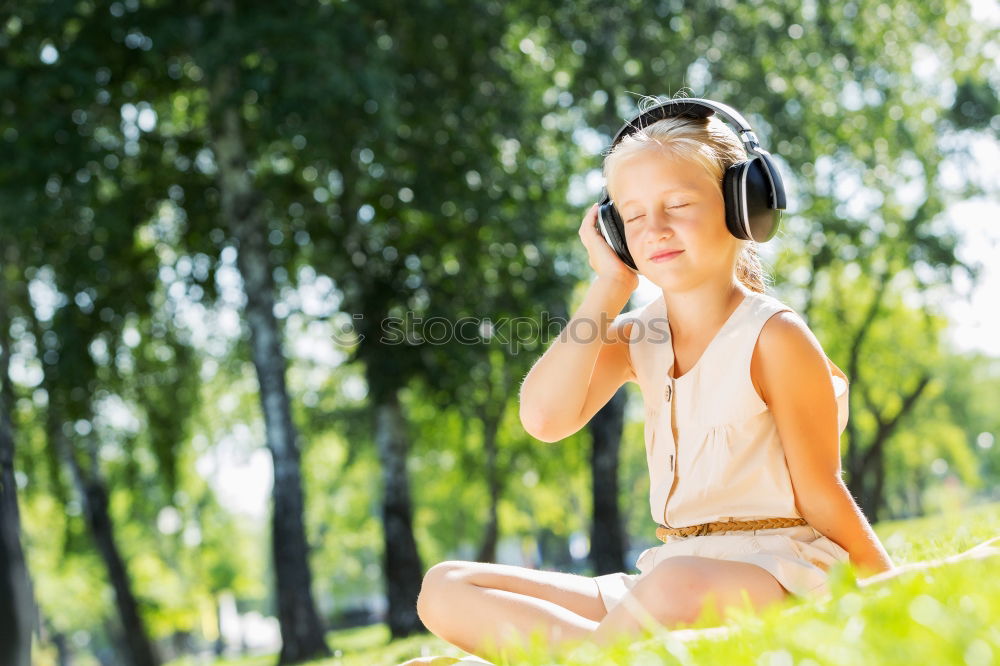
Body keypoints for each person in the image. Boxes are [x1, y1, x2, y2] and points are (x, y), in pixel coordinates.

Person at [409, 97, 900, 664]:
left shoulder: (774, 337)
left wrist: (888, 587)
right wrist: (609, 286)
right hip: (668, 572)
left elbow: (821, 490)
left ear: (744, 207)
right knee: (445, 587)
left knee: (671, 587)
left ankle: (576, 656)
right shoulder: (638, 336)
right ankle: (601, 654)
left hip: (775, 568)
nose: (655, 229)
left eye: (679, 204)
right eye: (632, 216)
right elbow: (543, 419)